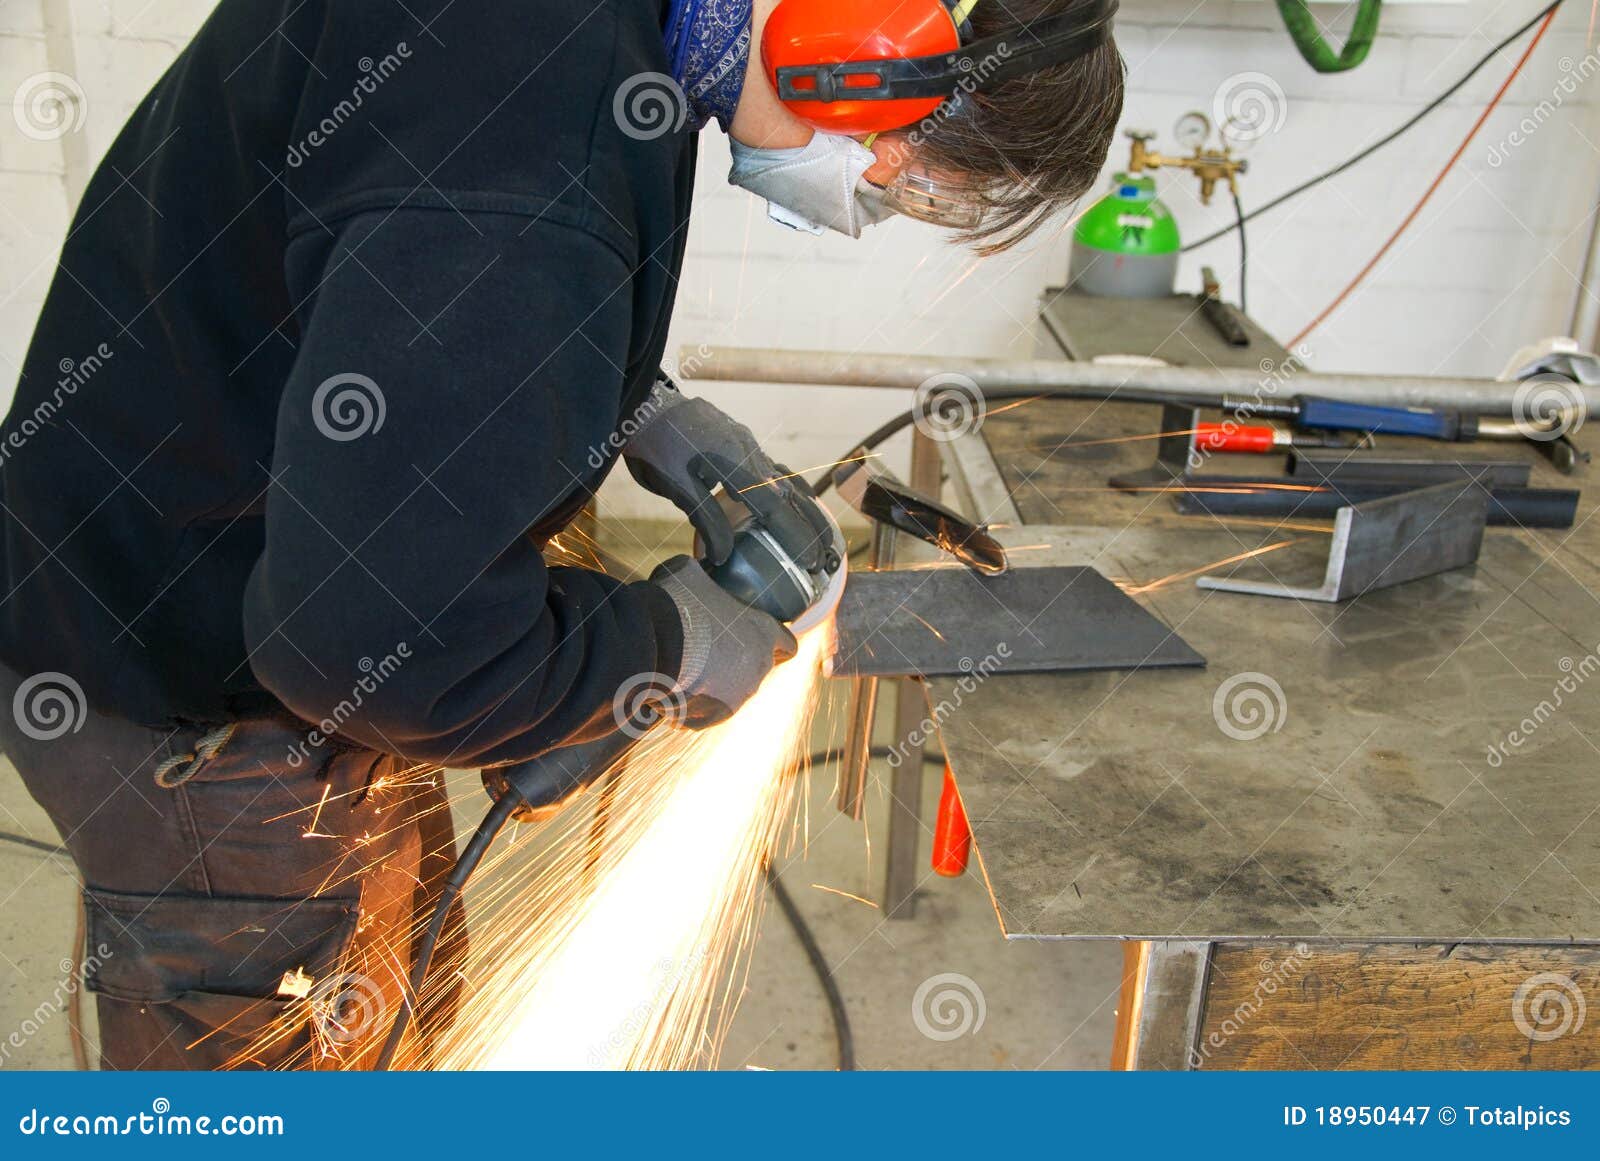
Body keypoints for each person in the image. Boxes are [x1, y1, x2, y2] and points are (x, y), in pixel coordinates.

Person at [0, 0, 1124, 1069]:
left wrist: (636, 403)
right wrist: (668, 646)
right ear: (863, 42)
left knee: (400, 985)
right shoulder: (531, 154)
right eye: (904, 161)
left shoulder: (607, 36)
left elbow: (395, 278)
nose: (872, 186)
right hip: (181, 676)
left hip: (214, 542)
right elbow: (372, 645)